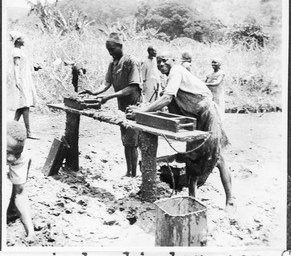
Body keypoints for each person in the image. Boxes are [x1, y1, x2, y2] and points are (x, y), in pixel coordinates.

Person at [130, 52, 233, 206]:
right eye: (158, 62)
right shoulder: (169, 77)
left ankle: (230, 200)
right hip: (193, 119)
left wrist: (141, 112)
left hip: (207, 115)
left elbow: (167, 98)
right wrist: (147, 109)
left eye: (164, 60)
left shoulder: (176, 70)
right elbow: (168, 103)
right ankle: (192, 198)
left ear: (174, 60)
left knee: (217, 157)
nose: (161, 64)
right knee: (191, 157)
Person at [83, 32, 142, 177]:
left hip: (135, 106)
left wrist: (108, 97)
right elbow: (107, 83)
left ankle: (133, 173)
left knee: (133, 141)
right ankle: (128, 171)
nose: (111, 53)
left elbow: (132, 87)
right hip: (122, 106)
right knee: (125, 140)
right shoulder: (112, 63)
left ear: (120, 46)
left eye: (113, 50)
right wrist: (94, 92)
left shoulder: (131, 61)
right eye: (108, 51)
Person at [6, 120, 35, 242]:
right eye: (7, 152)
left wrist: (30, 231)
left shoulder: (22, 156)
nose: (12, 158)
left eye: (17, 153)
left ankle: (12, 209)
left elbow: (20, 192)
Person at [9, 31, 39, 140]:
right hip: (21, 80)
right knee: (25, 105)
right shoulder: (16, 51)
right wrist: (17, 80)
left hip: (25, 79)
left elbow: (23, 65)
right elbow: (16, 66)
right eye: (22, 39)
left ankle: (10, 129)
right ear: (17, 40)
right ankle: (28, 132)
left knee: (22, 105)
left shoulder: (21, 51)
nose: (24, 40)